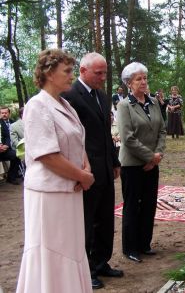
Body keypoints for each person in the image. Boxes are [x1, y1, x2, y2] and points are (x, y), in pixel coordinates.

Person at [16, 49, 95, 293]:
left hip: (69, 190)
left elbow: (77, 141)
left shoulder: (66, 105)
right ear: (49, 74)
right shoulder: (37, 106)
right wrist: (81, 176)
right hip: (48, 193)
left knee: (71, 248)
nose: (71, 76)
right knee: (52, 249)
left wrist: (86, 168)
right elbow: (47, 155)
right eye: (68, 71)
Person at [63, 52, 123, 290]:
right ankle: (86, 269)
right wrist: (80, 170)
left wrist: (115, 161)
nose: (102, 77)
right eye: (98, 73)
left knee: (105, 219)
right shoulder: (70, 95)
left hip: (106, 168)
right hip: (86, 170)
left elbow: (105, 133)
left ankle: (101, 262)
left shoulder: (101, 95)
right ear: (83, 71)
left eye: (105, 72)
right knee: (86, 222)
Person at [118, 62, 166, 263]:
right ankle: (130, 248)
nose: (144, 82)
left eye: (145, 78)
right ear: (129, 83)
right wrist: (149, 157)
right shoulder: (124, 105)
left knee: (148, 205)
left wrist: (157, 156)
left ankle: (144, 244)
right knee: (132, 206)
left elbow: (162, 131)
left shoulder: (154, 102)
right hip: (132, 165)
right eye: (139, 79)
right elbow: (127, 138)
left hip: (152, 163)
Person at [0, 109, 22, 185]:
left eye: (6, 113)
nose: (4, 114)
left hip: (6, 148)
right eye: (2, 113)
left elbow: (8, 137)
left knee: (17, 155)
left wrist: (6, 145)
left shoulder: (13, 122)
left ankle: (11, 177)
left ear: (9, 113)